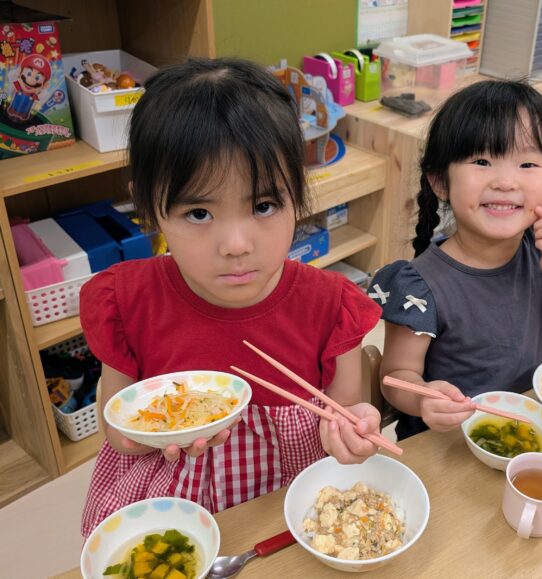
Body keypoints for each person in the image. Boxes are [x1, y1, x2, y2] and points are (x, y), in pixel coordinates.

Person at [79, 58, 383, 537]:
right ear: (151, 209)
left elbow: (342, 420)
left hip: (290, 502)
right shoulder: (128, 300)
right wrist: (158, 433)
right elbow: (116, 430)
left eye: (264, 206)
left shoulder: (331, 304)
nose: (237, 244)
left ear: (297, 195)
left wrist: (355, 429)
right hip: (170, 506)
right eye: (199, 213)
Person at [369, 80, 542, 441]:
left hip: (526, 428)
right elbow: (395, 377)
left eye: (527, 163)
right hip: (446, 442)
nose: (505, 181)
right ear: (440, 182)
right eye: (482, 161)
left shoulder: (541, 252)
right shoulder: (419, 284)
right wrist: (424, 401)